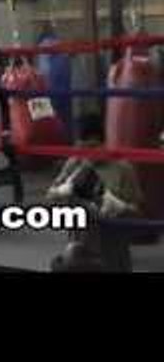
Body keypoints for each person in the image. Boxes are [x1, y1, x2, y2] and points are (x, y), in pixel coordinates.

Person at [47, 113, 143, 272]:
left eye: (92, 147)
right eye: (82, 147)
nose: (87, 153)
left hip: (112, 251)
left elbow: (138, 212)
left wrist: (121, 207)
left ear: (104, 143)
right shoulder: (74, 163)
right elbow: (50, 198)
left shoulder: (122, 169)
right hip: (79, 252)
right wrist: (60, 192)